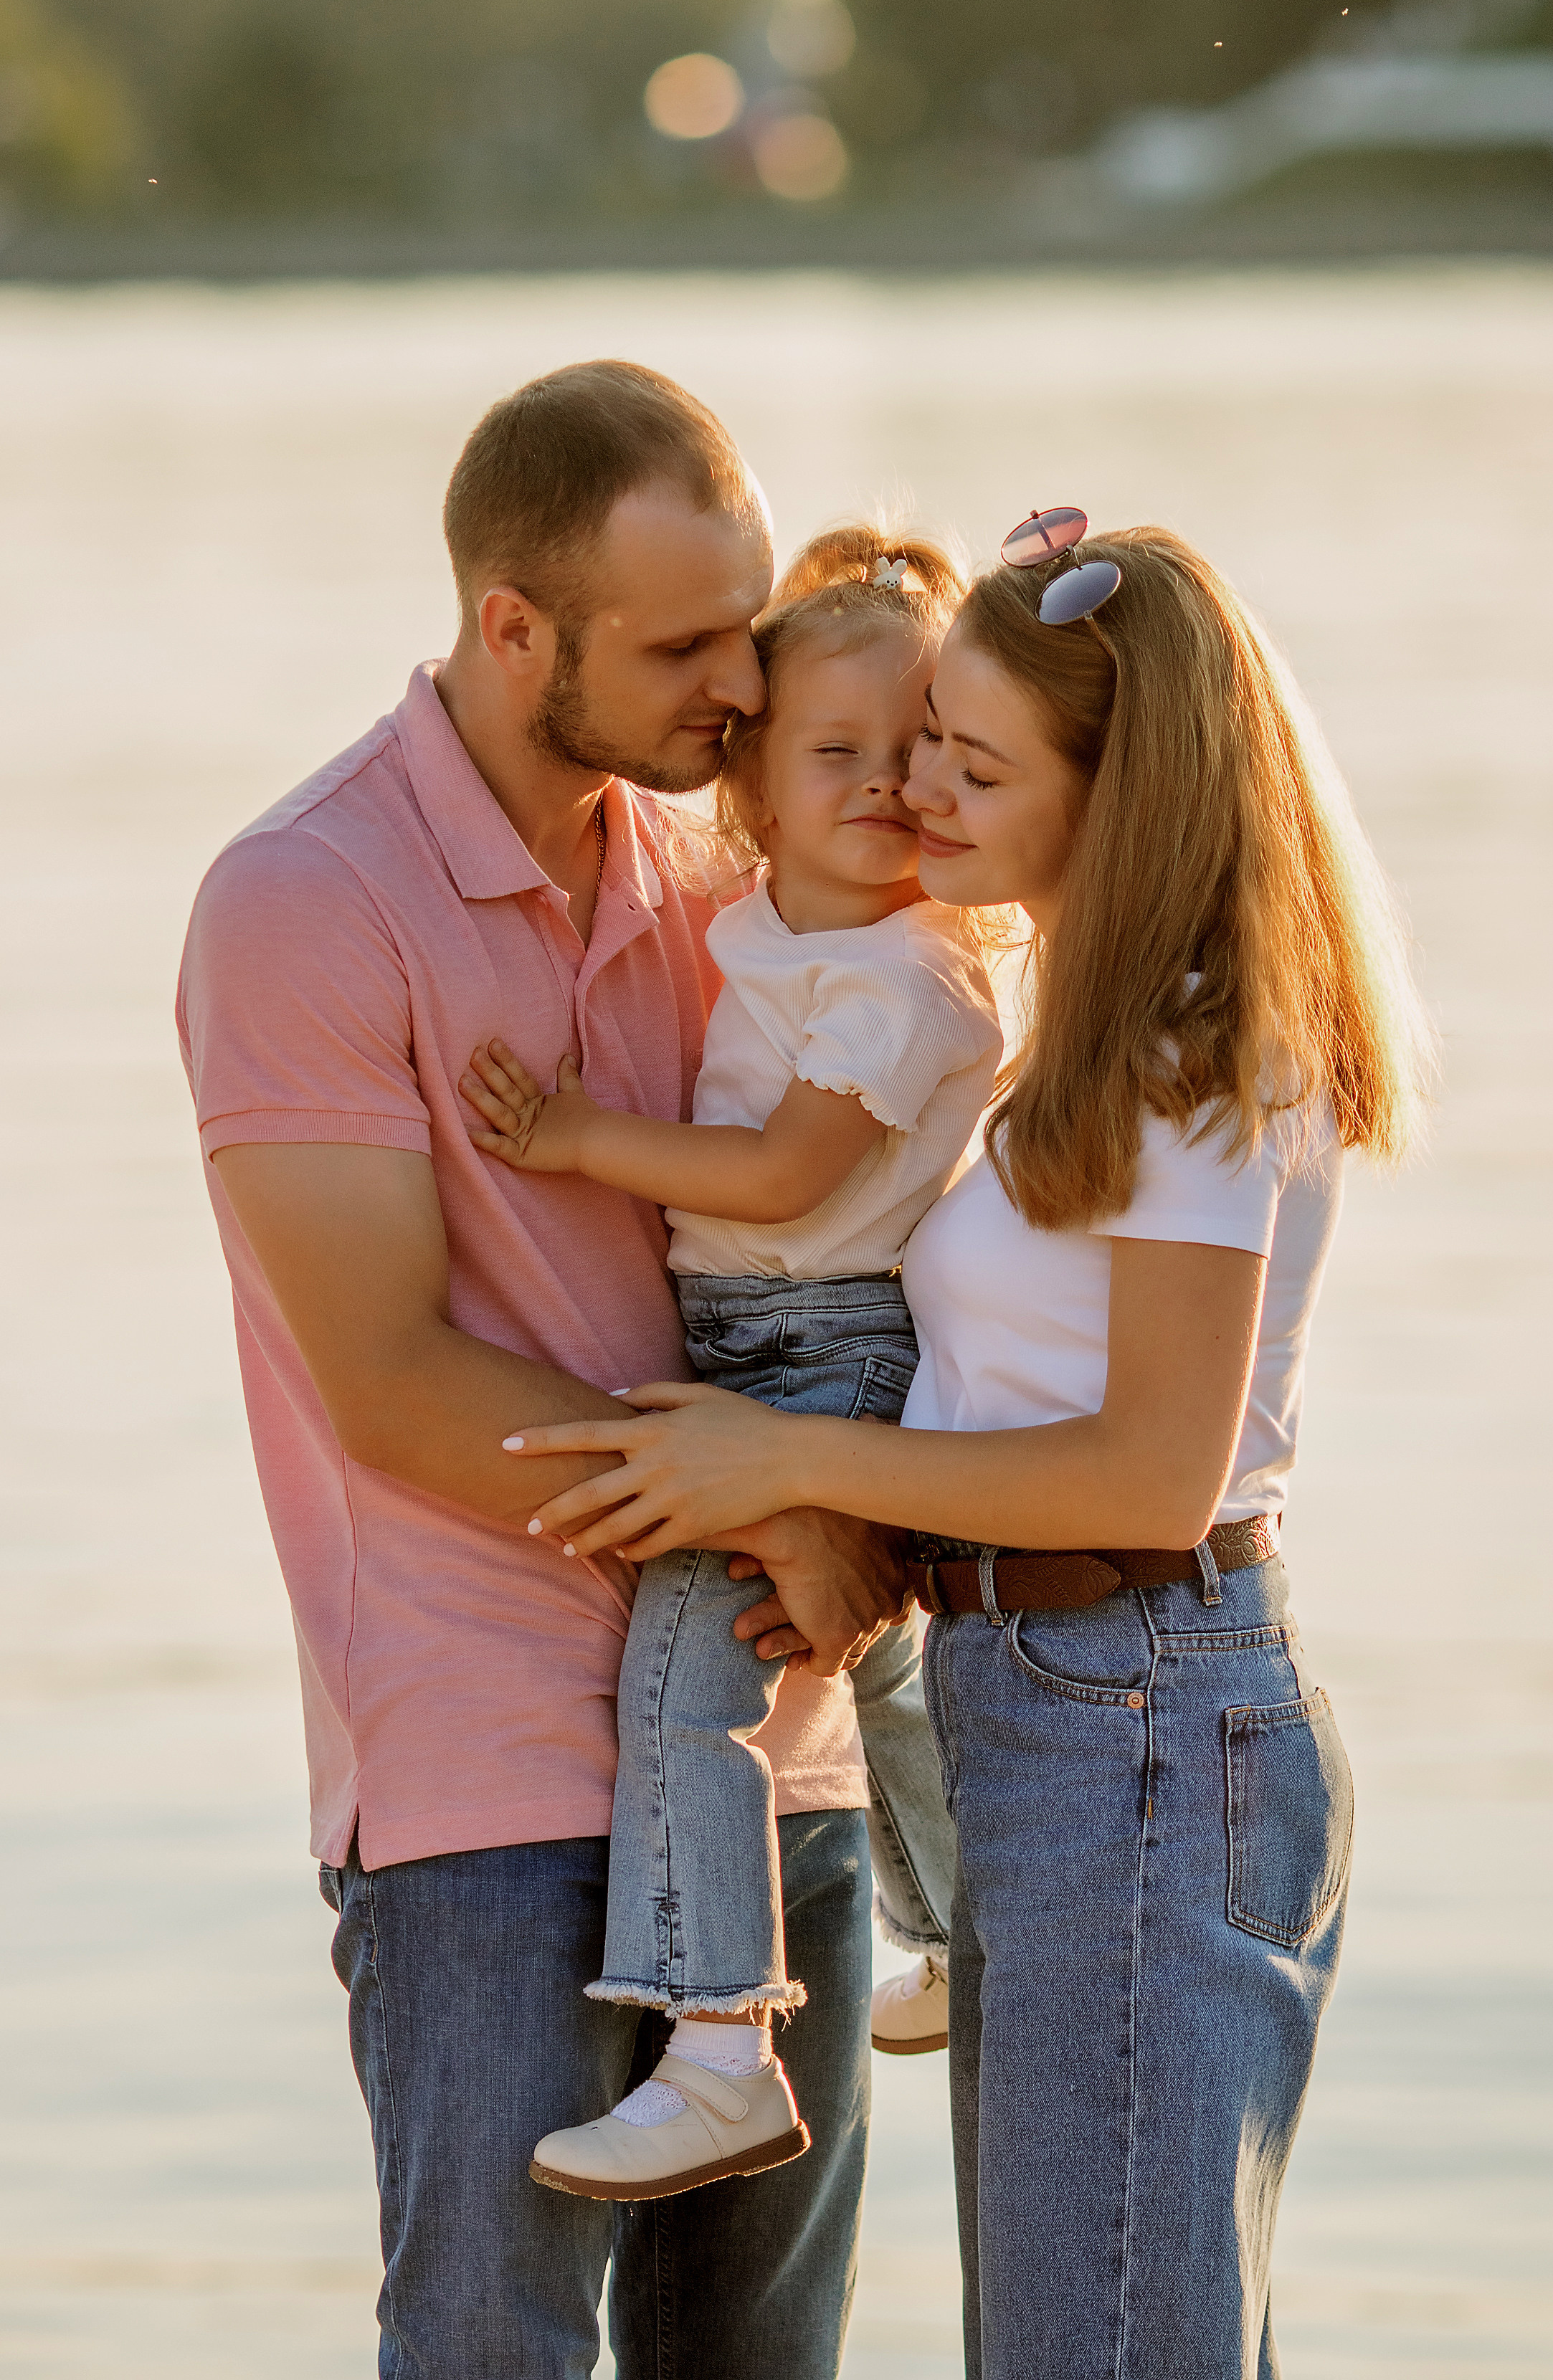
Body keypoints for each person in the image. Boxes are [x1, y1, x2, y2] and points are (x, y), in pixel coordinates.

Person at [505, 511, 1433, 2379]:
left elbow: (1146, 1474)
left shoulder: (1197, 1054)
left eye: (979, 761)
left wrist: (789, 1465)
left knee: (1098, 2342)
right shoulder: (1051, 1033)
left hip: (1145, 1711)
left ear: (1124, 795)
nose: (924, 784)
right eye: (927, 733)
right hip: (1053, 1705)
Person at [175, 360, 913, 2380]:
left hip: (778, 1733)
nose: (743, 695)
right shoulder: (303, 901)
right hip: (484, 1768)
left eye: (746, 632)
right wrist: (783, 1505)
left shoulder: (728, 873)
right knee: (493, 2353)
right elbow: (391, 1386)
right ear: (513, 631)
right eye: (684, 649)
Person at [458, 523, 998, 2201]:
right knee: (879, 1672)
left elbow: (777, 1175)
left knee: (691, 1684)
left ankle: (716, 2043)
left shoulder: (908, 975)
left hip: (819, 1353)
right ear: (751, 788)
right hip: (768, 1337)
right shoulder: (765, 920)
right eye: (836, 750)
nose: (887, 783)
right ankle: (974, 1937)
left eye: (917, 749)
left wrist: (570, 1133)